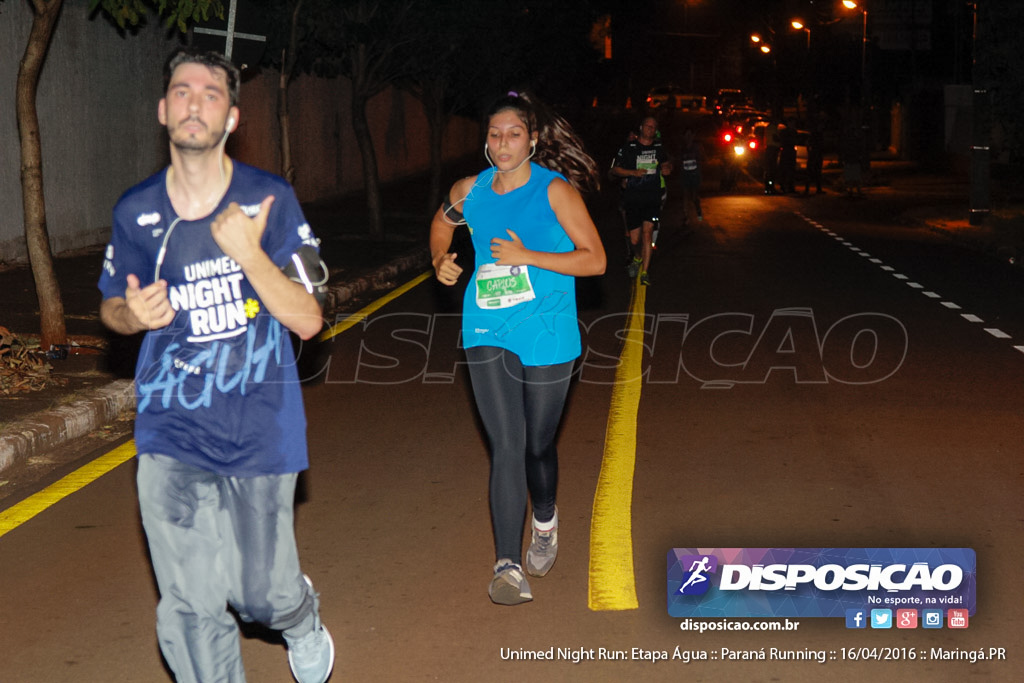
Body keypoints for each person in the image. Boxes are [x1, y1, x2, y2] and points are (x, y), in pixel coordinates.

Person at [97, 48, 334, 683]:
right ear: (162, 110)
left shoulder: (269, 200)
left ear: (232, 116)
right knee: (192, 605)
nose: (193, 101)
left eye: (210, 93)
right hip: (171, 429)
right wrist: (132, 315)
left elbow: (311, 319)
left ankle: (301, 614)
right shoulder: (135, 211)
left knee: (262, 596)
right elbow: (110, 308)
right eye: (181, 90)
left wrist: (250, 257)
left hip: (260, 426)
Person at [429, 91, 605, 605]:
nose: (502, 143)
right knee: (506, 443)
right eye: (494, 134)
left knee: (537, 444)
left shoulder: (556, 192)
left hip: (548, 330)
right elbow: (443, 223)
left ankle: (545, 519)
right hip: (487, 324)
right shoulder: (471, 190)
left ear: (531, 140)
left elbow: (594, 261)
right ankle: (507, 564)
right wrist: (440, 258)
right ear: (486, 141)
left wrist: (528, 255)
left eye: (513, 134)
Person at [610, 115, 672, 286]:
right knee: (635, 239)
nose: (650, 129)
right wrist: (633, 173)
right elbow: (615, 170)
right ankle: (637, 257)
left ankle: (645, 271)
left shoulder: (659, 148)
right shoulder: (629, 147)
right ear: (641, 127)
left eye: (653, 127)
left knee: (647, 234)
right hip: (633, 197)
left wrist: (667, 169)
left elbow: (667, 165)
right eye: (648, 126)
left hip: (652, 198)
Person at [678, 127, 703, 225]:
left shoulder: (697, 147)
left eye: (690, 135)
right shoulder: (682, 147)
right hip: (685, 175)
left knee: (694, 196)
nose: (688, 137)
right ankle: (686, 216)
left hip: (695, 175)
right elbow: (678, 160)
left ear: (693, 136)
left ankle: (698, 211)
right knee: (685, 195)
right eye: (686, 135)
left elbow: (703, 158)